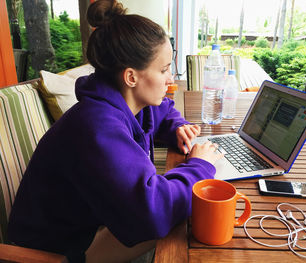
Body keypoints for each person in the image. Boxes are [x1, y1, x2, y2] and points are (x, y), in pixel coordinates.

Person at [8, 0, 223, 262]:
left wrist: (178, 127)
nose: (171, 78)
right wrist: (200, 166)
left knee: (185, 218)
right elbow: (151, 213)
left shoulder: (129, 102)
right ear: (131, 77)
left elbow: (164, 111)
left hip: (96, 222)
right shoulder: (95, 127)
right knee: (186, 224)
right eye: (164, 69)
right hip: (55, 250)